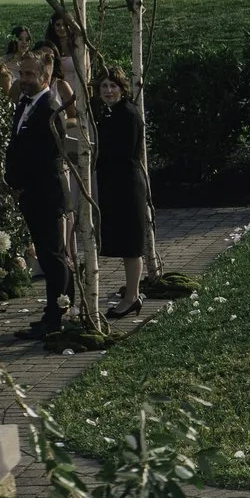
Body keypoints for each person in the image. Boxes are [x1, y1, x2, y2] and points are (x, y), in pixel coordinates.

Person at [3, 53, 71, 337]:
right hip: (30, 192)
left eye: (30, 75)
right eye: (22, 73)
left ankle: (57, 315)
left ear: (45, 78)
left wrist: (23, 184)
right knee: (48, 253)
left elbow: (47, 156)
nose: (24, 79)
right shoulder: (25, 104)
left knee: (52, 255)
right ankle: (54, 311)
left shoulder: (50, 108)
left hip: (44, 192)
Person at [94, 68, 149, 316]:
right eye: (104, 86)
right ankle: (131, 293)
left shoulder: (126, 113)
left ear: (122, 88)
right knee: (125, 241)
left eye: (112, 86)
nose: (108, 91)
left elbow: (122, 151)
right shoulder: (109, 113)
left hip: (127, 184)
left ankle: (132, 297)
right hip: (115, 184)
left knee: (131, 243)